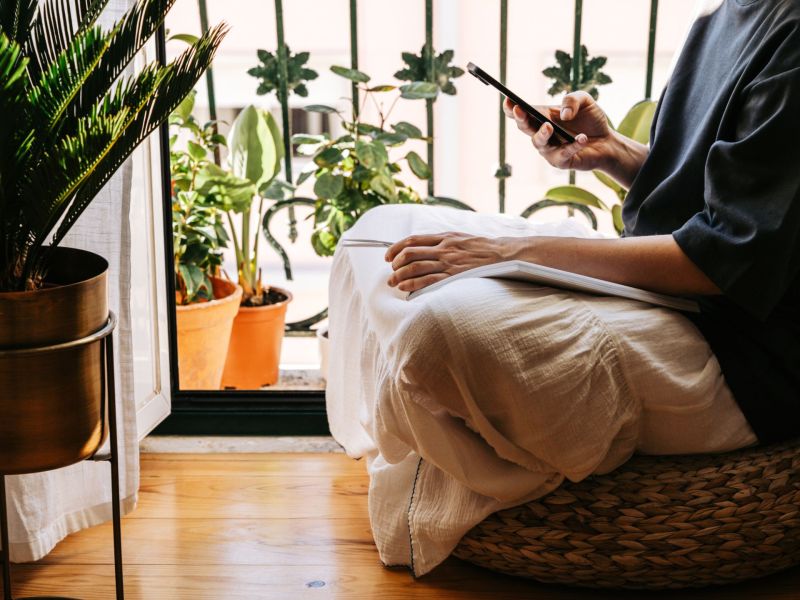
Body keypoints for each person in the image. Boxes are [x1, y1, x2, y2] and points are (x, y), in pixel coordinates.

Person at [384, 0, 800, 444]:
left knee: (437, 335)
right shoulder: (721, 13)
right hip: (672, 295)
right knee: (385, 230)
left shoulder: (790, 39)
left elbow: (725, 257)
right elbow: (715, 193)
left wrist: (507, 253)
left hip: (744, 348)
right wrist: (613, 150)